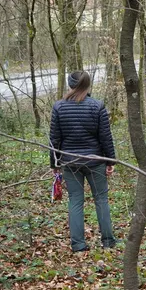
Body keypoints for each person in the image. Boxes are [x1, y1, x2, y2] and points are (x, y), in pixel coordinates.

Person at [50, 71, 117, 252]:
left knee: (75, 201)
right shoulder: (97, 106)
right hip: (95, 161)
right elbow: (105, 137)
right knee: (101, 200)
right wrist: (110, 161)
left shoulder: (59, 107)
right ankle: (108, 241)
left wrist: (55, 164)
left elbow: (54, 139)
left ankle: (78, 245)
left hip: (70, 162)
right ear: (87, 85)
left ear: (70, 85)